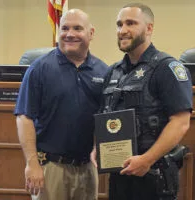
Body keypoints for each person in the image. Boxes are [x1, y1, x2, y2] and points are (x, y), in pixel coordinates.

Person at [93, 3, 192, 200]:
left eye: (131, 23)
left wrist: (147, 160)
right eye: (119, 24)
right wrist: (97, 148)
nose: (123, 30)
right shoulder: (113, 72)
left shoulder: (167, 68)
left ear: (149, 28)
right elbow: (107, 117)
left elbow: (181, 122)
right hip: (121, 174)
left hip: (154, 175)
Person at [14, 9, 108, 200]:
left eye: (77, 28)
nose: (70, 34)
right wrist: (32, 164)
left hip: (87, 169)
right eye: (64, 28)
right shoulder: (39, 69)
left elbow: (106, 117)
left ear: (91, 33)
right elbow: (24, 117)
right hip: (50, 168)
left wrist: (99, 148)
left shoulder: (103, 71)